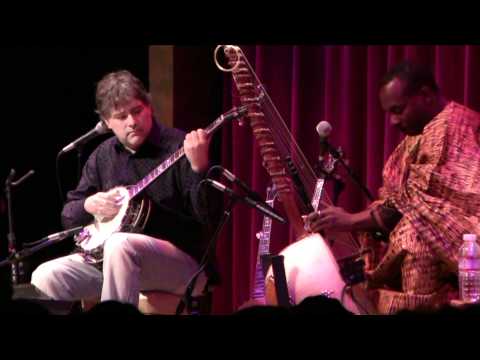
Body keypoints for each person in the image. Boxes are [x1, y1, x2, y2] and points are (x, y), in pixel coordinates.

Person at [31, 70, 219, 309]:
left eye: (137, 110)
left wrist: (200, 167)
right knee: (46, 275)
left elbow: (209, 216)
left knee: (120, 244)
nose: (132, 121)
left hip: (182, 265)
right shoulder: (102, 156)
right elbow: (69, 217)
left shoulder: (179, 146)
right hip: (113, 264)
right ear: (107, 122)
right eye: (121, 116)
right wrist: (89, 205)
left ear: (149, 106)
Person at [304, 61, 480, 314]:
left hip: (464, 246)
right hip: (429, 247)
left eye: (398, 110)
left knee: (413, 239)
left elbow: (422, 199)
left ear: (426, 96)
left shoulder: (454, 127)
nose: (393, 121)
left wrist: (352, 220)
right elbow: (402, 198)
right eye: (389, 113)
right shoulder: (419, 135)